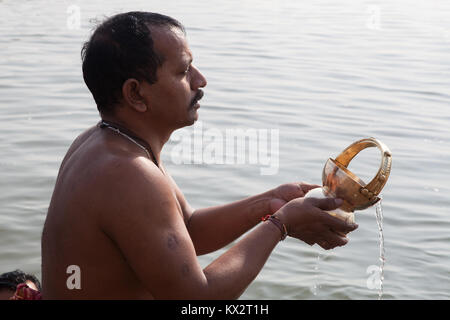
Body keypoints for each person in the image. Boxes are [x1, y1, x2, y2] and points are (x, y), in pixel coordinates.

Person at [41, 11, 358, 299]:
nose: (200, 80)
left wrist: (272, 201)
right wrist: (280, 224)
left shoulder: (107, 143)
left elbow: (187, 229)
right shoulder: (128, 173)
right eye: (183, 71)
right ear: (136, 94)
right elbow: (197, 300)